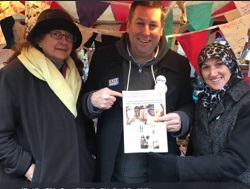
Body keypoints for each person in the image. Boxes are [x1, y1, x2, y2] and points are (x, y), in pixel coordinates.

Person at [82, 1, 194, 183]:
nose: (146, 32)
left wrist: (183, 119)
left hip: (158, 173)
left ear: (161, 28)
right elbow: (84, 101)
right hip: (111, 171)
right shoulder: (103, 58)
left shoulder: (178, 64)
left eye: (153, 25)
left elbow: (188, 104)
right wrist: (91, 100)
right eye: (140, 23)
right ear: (128, 24)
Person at [0, 9, 95, 183]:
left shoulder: (75, 75)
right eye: (56, 34)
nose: (64, 41)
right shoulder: (13, 76)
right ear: (39, 39)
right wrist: (27, 169)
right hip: (38, 179)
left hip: (76, 176)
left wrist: (88, 157)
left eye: (69, 37)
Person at [148, 43, 250, 186]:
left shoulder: (246, 101)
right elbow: (195, 148)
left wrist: (178, 166)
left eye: (219, 64)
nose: (213, 73)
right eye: (206, 67)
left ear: (231, 65)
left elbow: (236, 160)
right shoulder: (204, 101)